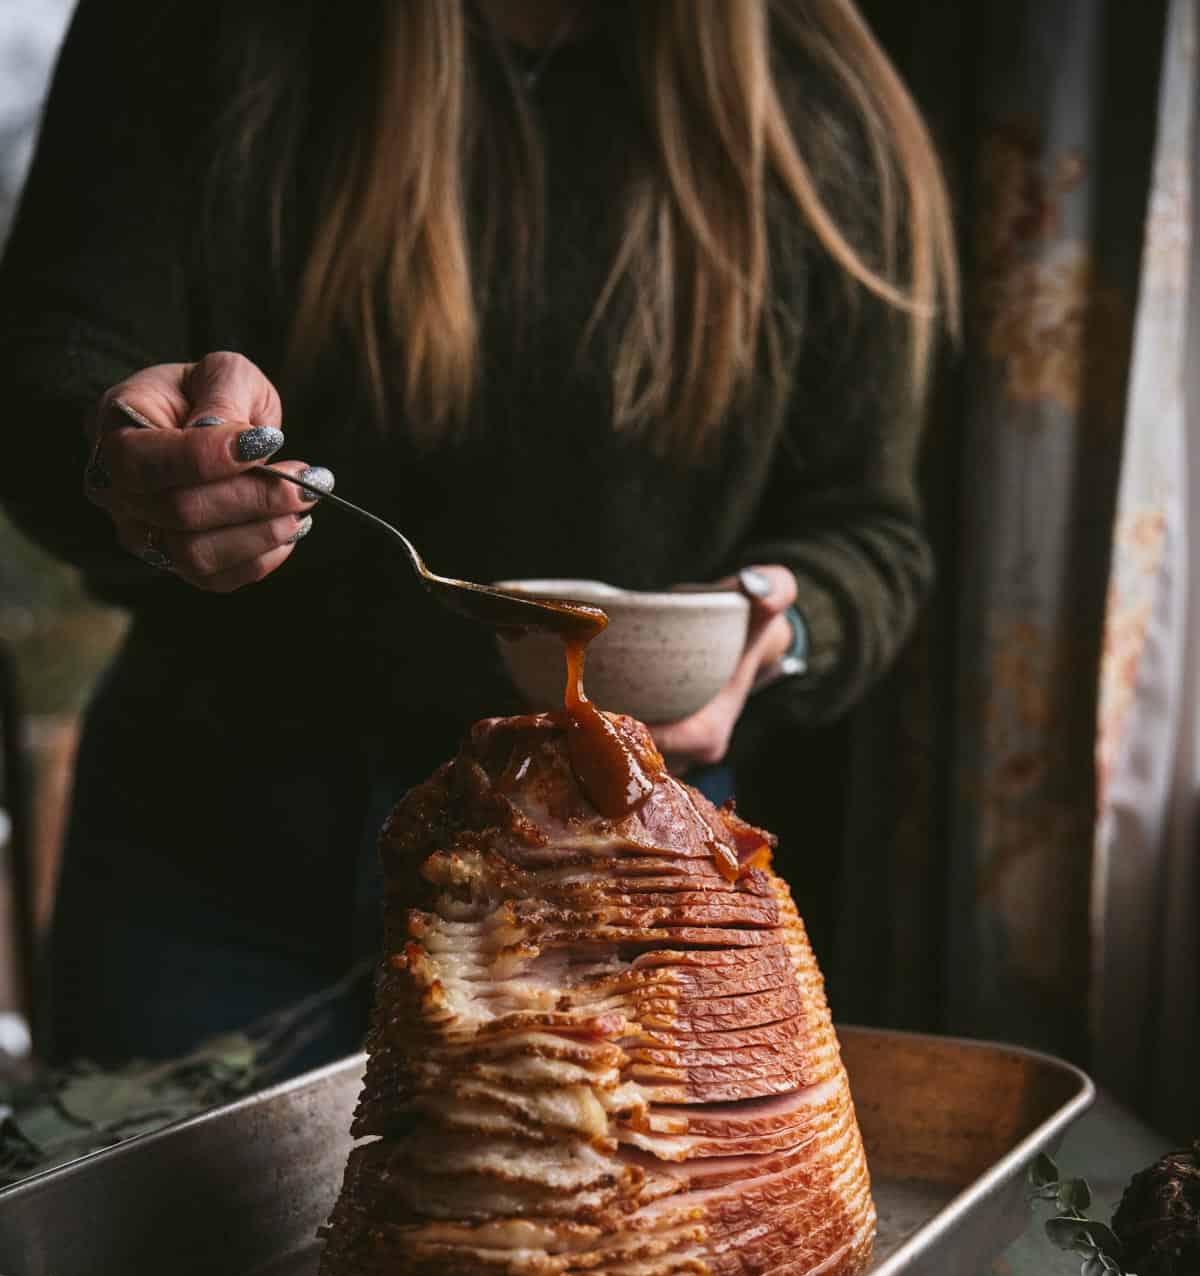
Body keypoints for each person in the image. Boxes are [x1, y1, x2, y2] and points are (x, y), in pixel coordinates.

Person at [0, 0, 956, 1070]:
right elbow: (47, 366)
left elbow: (869, 533)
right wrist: (121, 455)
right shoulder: (202, 32)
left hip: (617, 858)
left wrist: (778, 626)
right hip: (212, 856)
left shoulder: (815, 97)